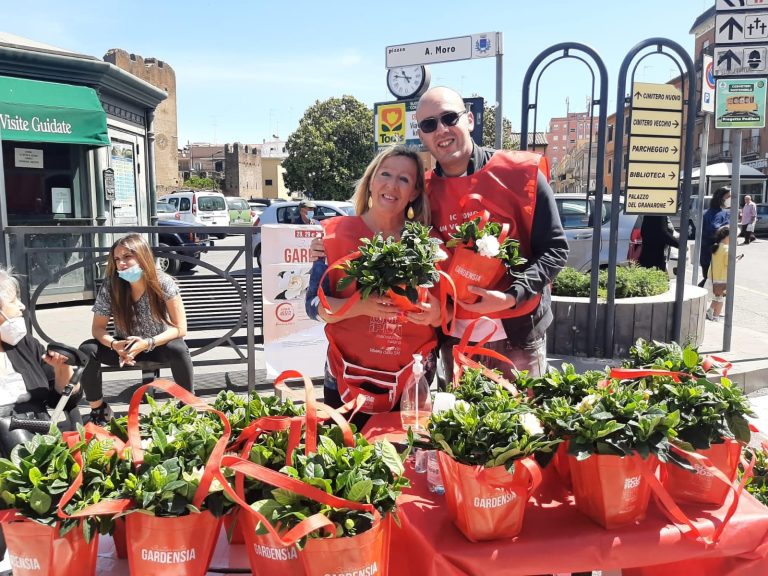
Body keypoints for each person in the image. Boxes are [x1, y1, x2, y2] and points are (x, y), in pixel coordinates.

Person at [414, 87, 568, 381]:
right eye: (429, 124)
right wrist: (325, 247)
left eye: (449, 117)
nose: (441, 130)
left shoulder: (521, 173)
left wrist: (511, 296)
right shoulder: (420, 193)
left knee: (525, 421)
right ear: (421, 134)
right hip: (455, 338)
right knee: (463, 424)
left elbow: (555, 249)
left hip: (518, 333)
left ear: (469, 119)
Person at [305, 145, 440, 428]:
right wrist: (361, 306)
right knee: (345, 463)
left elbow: (444, 313)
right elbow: (314, 306)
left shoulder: (428, 244)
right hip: (346, 376)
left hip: (411, 380)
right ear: (371, 181)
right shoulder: (332, 235)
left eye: (404, 179)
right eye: (385, 174)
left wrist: (435, 312)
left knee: (406, 465)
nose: (392, 185)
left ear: (415, 192)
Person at [79, 234, 193, 425]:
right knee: (86, 350)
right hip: (125, 348)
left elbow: (181, 328)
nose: (121, 263)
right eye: (117, 259)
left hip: (157, 345)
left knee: (179, 348)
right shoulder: (111, 285)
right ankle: (99, 410)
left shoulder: (162, 282)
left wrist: (148, 342)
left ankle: (188, 405)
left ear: (142, 256)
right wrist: (115, 344)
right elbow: (98, 329)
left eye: (127, 257)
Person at [0, 266, 83, 456]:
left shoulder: (25, 344)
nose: (21, 306)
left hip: (37, 435)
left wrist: (62, 370)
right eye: (13, 301)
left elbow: (65, 401)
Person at [705, 225, 740, 322]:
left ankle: (711, 311)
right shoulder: (727, 249)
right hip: (721, 279)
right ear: (729, 236)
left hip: (712, 277)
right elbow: (728, 264)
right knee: (720, 300)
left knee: (717, 297)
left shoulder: (716, 246)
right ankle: (716, 317)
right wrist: (735, 260)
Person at [699, 186, 731, 286]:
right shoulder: (721, 213)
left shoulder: (707, 212)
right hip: (714, 252)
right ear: (723, 198)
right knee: (712, 282)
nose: (731, 199)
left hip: (705, 250)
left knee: (708, 278)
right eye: (729, 197)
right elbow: (714, 228)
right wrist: (727, 228)